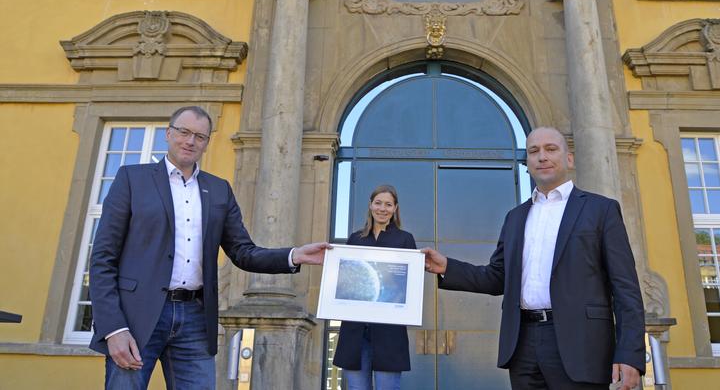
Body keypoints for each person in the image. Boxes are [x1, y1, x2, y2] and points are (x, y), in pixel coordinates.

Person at [89, 106, 330, 390]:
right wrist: (113, 328)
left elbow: (243, 251)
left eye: (200, 136)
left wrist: (293, 255)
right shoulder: (132, 179)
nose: (191, 141)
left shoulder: (218, 190)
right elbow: (103, 258)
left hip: (194, 318)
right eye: (184, 132)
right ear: (168, 133)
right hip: (136, 316)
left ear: (206, 143)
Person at [422, 127, 645, 390]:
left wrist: (630, 355)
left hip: (582, 346)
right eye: (533, 151)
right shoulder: (515, 217)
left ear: (569, 159)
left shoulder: (601, 209)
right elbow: (497, 278)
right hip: (523, 344)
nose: (542, 156)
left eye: (551, 149)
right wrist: (447, 267)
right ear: (527, 163)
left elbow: (625, 289)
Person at [333, 185, 417, 390]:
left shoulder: (405, 239)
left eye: (388, 204)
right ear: (370, 205)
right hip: (355, 332)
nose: (382, 208)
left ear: (395, 208)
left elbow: (410, 284)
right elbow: (346, 280)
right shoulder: (355, 239)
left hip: (390, 332)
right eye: (378, 203)